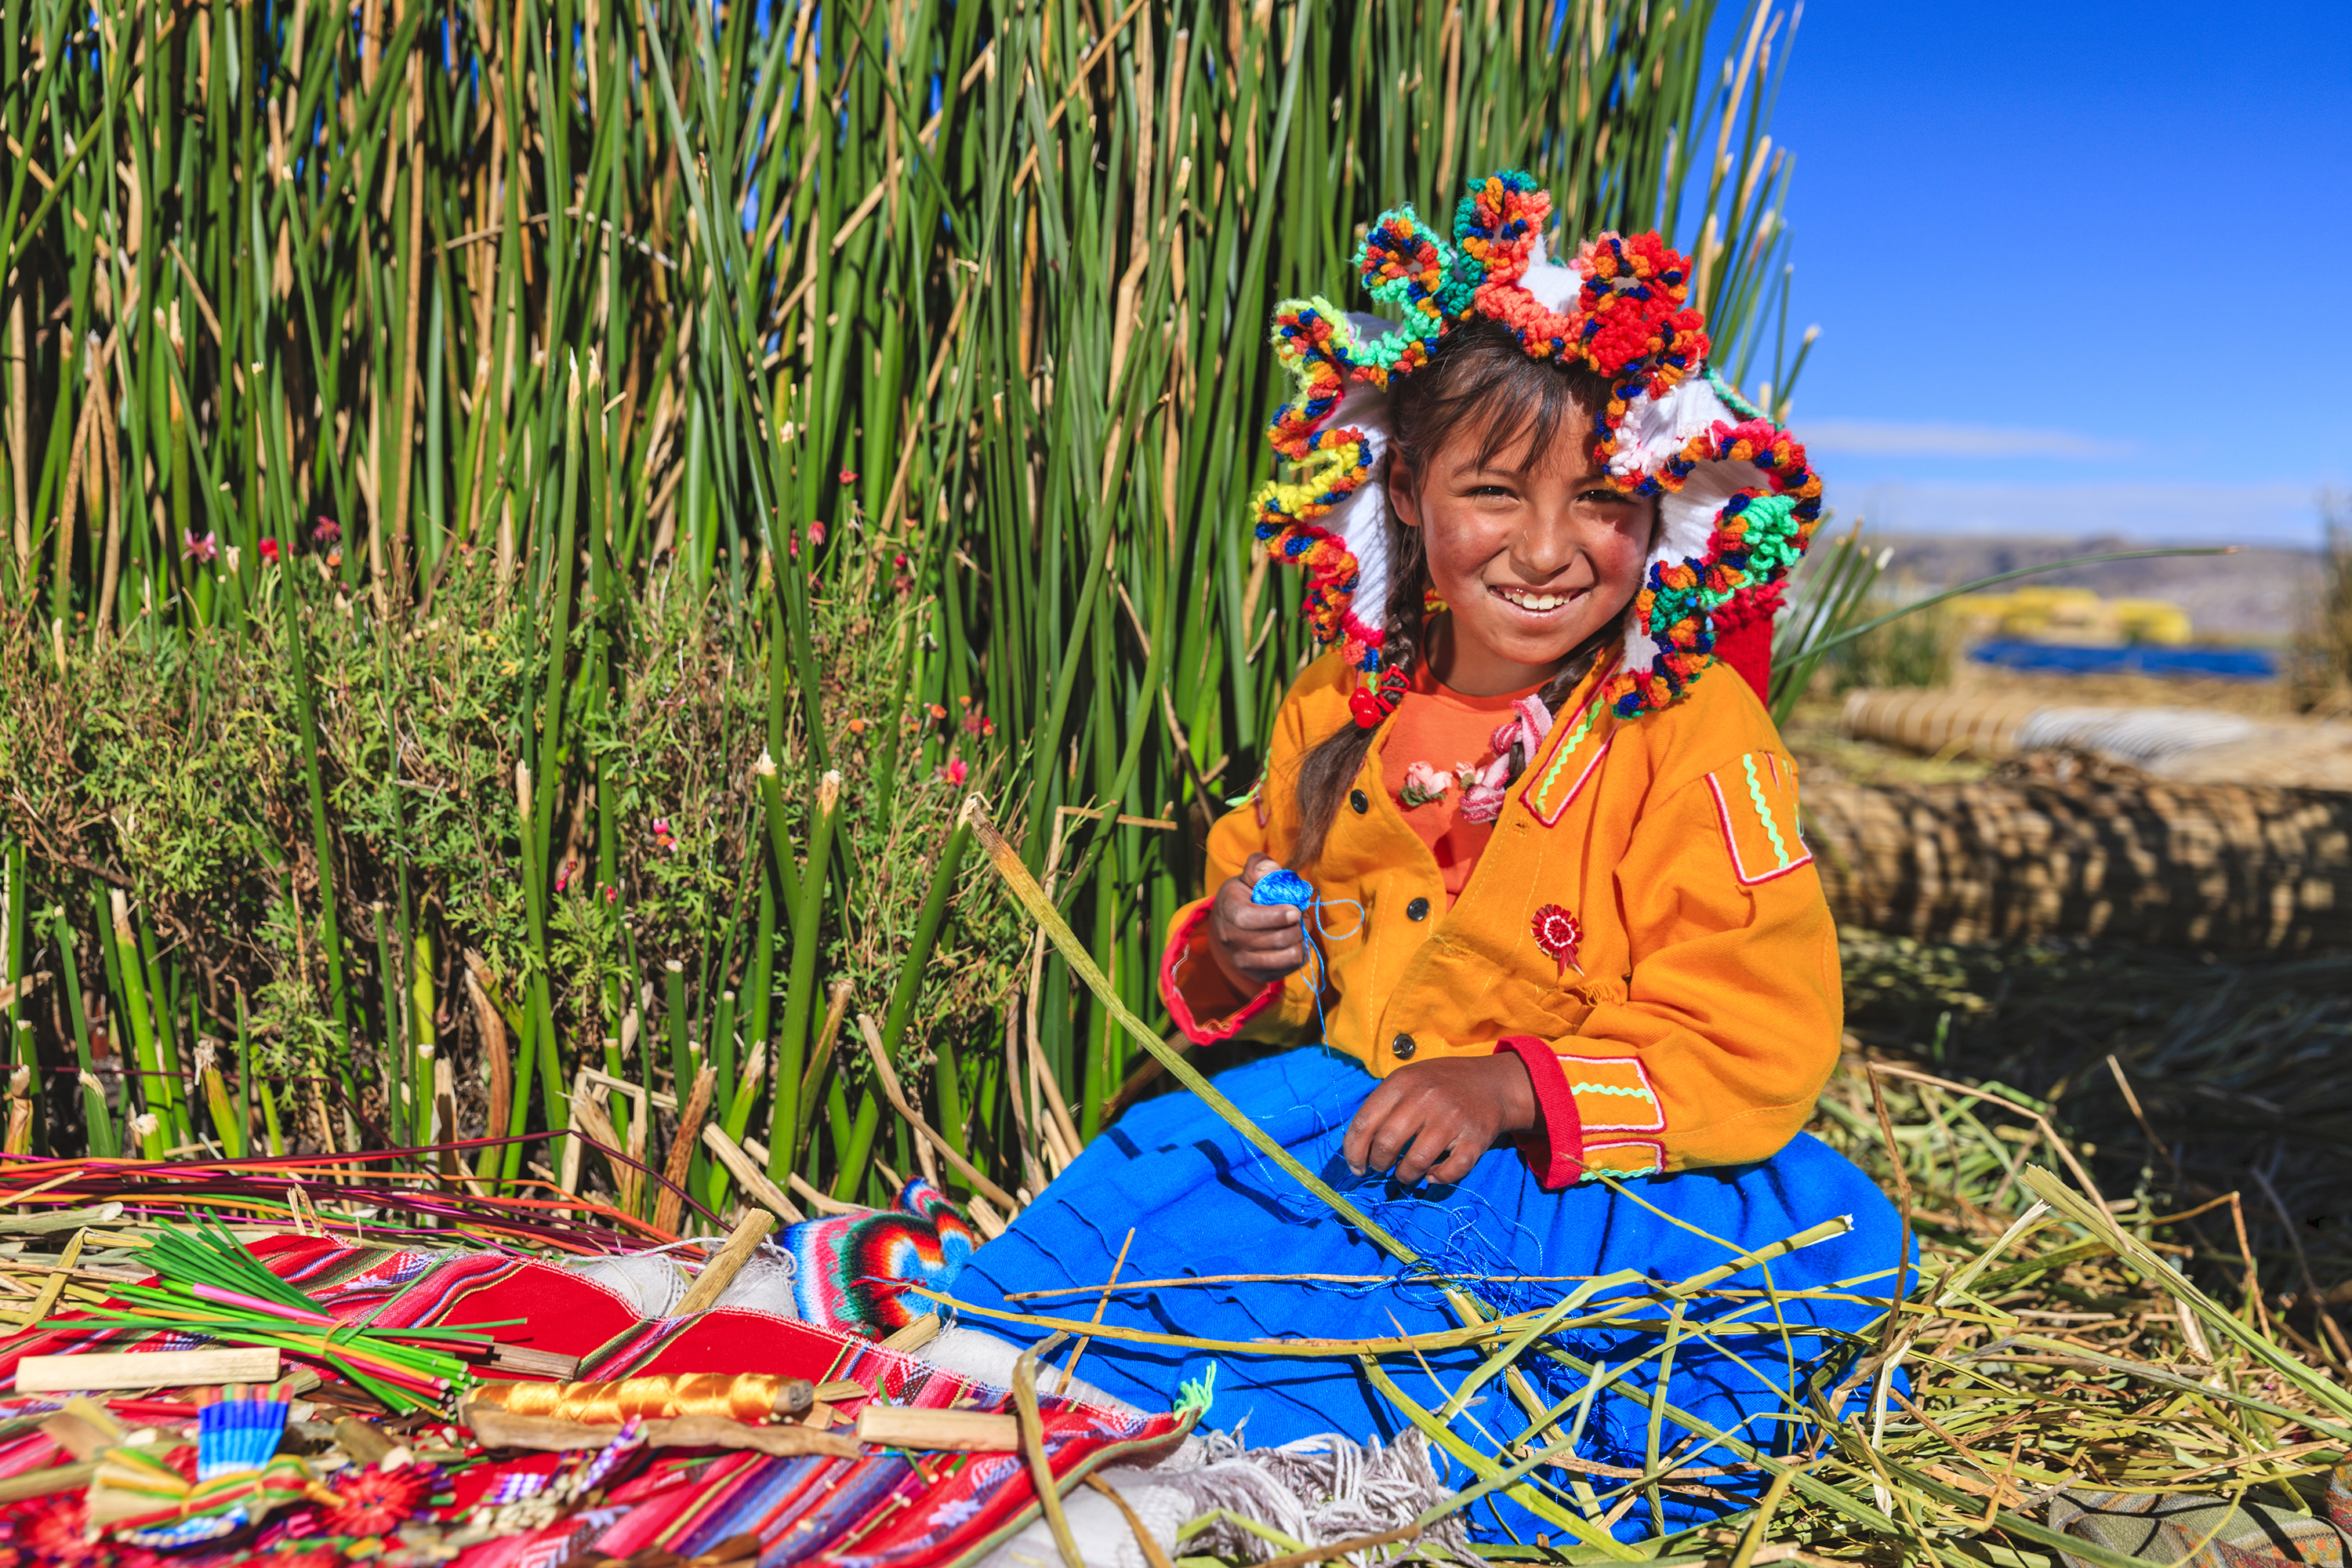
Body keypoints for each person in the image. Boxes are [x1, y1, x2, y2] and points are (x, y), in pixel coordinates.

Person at [946, 172, 1907, 1544]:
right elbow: (1258, 913)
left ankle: (1286, 1480)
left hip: (1597, 1186)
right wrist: (1238, 944)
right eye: (1494, 492)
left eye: (1604, 502)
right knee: (1140, 1219)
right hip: (1356, 1126)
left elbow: (1760, 1027)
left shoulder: (1693, 728)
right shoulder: (1341, 705)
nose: (1548, 547)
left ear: (1664, 513)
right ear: (1407, 489)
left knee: (1436, 1366)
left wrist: (1515, 1086)